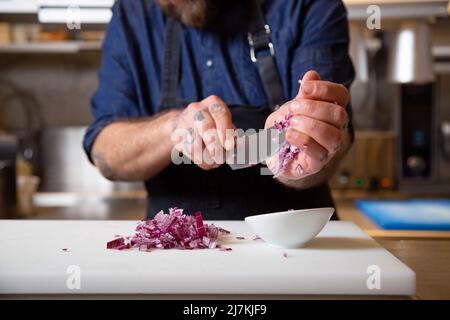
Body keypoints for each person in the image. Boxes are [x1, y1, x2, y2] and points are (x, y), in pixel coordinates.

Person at [83, 0, 355, 220]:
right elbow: (106, 153)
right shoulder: (132, 14)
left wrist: (303, 150)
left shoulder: (308, 6)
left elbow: (330, 139)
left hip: (299, 246)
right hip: (173, 256)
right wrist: (174, 129)